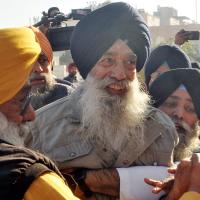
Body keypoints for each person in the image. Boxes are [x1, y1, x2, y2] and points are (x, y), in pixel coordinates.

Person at [24, 3, 178, 199]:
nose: (120, 74)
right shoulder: (39, 129)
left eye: (130, 62)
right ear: (86, 65)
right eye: (108, 60)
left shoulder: (162, 128)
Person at [0, 27, 78, 200]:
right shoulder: (29, 178)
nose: (32, 115)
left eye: (42, 60)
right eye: (21, 101)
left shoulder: (71, 98)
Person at [28, 26, 73, 110]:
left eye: (42, 60)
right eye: (28, 62)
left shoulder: (68, 95)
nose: (38, 69)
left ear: (51, 65)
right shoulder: (5, 103)